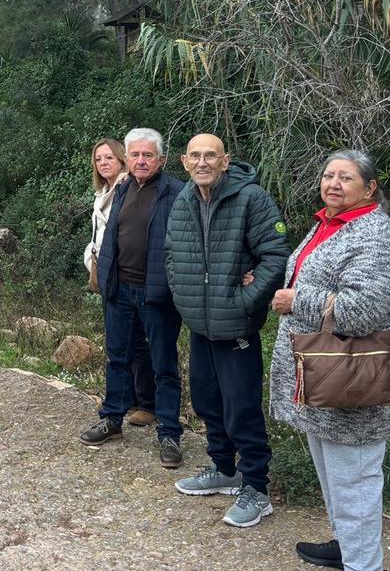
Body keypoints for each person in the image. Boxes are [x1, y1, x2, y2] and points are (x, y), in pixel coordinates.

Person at [269, 150, 390, 571]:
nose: (333, 183)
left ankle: (363, 564)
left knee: (355, 482)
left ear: (369, 188)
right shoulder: (330, 224)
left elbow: (363, 311)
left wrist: (298, 300)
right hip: (324, 372)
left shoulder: (376, 237)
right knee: (335, 476)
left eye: (345, 178)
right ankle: (347, 545)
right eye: (328, 175)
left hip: (353, 378)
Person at [166, 134, 291, 527]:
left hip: (236, 324)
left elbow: (275, 255)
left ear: (225, 161)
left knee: (242, 408)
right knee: (206, 400)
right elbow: (172, 254)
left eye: (211, 156)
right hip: (200, 324)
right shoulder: (183, 200)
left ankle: (255, 485)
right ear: (185, 162)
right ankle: (223, 468)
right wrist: (185, 299)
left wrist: (246, 299)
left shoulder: (251, 199)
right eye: (196, 156)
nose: (203, 162)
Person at [81, 128, 187, 469]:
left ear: (161, 160)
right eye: (136, 155)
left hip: (157, 293)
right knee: (117, 357)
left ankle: (169, 432)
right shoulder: (122, 189)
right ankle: (112, 418)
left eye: (148, 155)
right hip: (119, 290)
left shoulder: (177, 193)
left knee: (163, 365)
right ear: (128, 158)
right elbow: (108, 235)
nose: (141, 161)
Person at [85, 138, 156, 428]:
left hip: (129, 273)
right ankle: (124, 399)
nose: (103, 163)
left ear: (121, 159)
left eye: (109, 158)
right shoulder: (103, 191)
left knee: (137, 341)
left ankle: (147, 402)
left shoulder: (128, 189)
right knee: (119, 340)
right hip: (107, 271)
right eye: (99, 159)